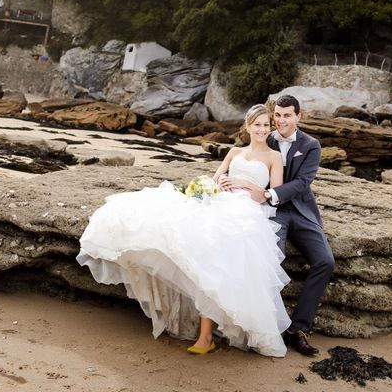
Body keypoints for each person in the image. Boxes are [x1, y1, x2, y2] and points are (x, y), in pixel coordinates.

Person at [76, 104, 291, 357]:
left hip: (248, 210)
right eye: (257, 124)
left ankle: (206, 335)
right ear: (248, 126)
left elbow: (273, 194)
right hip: (221, 202)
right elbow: (214, 179)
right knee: (182, 232)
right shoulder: (234, 152)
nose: (262, 129)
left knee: (216, 253)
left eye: (266, 125)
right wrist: (216, 185)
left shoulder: (274, 157)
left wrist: (244, 183)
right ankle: (204, 332)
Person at [223, 94, 335, 356]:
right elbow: (242, 161)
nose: (281, 120)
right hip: (270, 211)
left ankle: (299, 329)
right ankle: (264, 325)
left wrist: (269, 194)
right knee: (268, 260)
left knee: (325, 261)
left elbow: (302, 182)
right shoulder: (266, 135)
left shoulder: (311, 145)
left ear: (298, 116)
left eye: (287, 115)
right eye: (278, 115)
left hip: (300, 210)